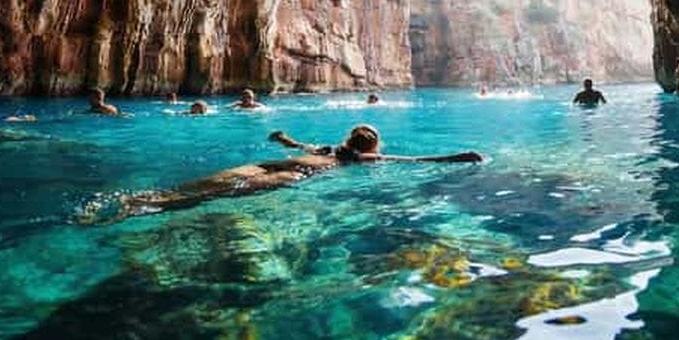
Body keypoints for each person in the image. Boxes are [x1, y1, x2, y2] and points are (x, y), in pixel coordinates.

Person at [81, 125, 483, 224]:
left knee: (190, 188)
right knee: (206, 198)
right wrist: (459, 157)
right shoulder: (360, 160)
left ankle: (135, 199)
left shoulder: (329, 148)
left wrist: (283, 137)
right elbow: (415, 163)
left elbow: (296, 147)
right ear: (372, 147)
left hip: (267, 166)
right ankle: (132, 210)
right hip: (288, 179)